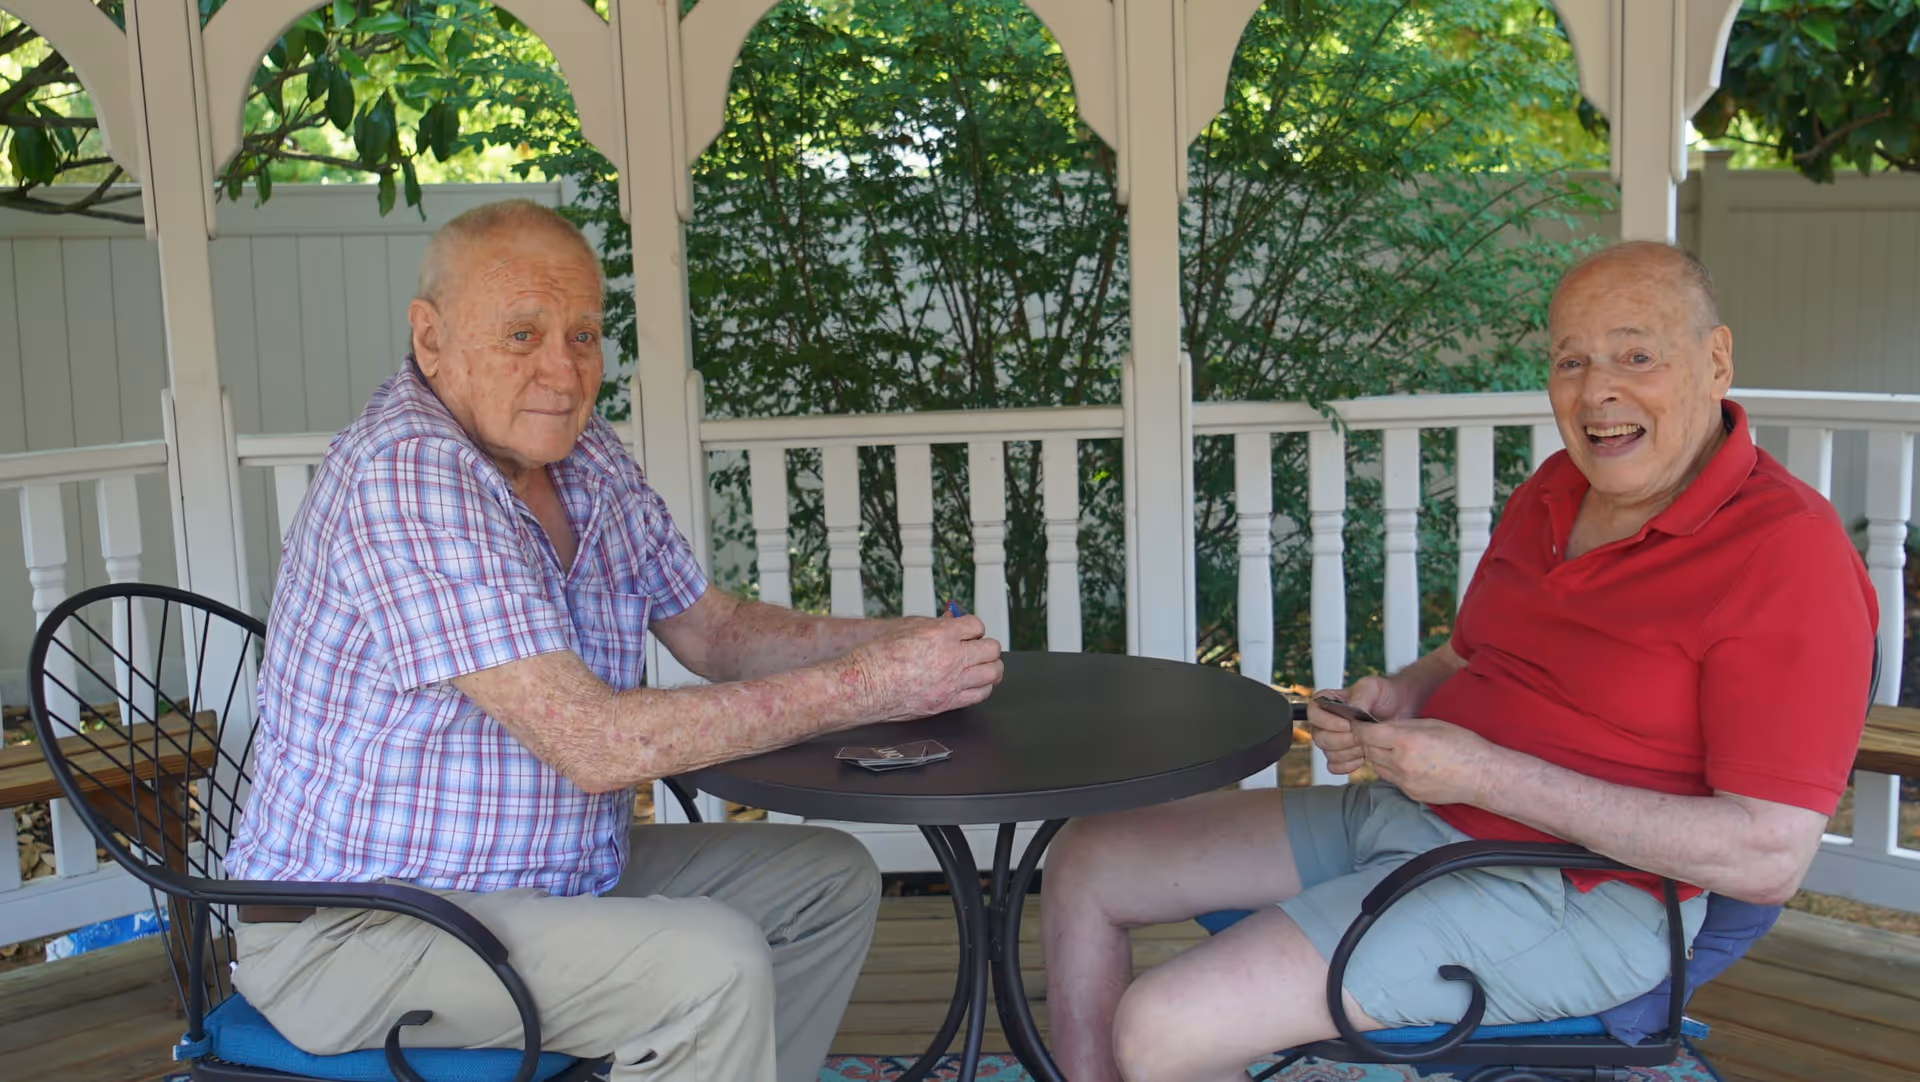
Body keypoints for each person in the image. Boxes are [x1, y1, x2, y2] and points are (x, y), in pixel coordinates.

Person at [1038, 241, 1876, 1082]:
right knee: (1087, 860)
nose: (1598, 391)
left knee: (1164, 1027)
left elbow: (1770, 857)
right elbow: (1464, 654)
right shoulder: (1553, 490)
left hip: (1580, 897)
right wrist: (1398, 697)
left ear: (1716, 359)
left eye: (1637, 355)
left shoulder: (1786, 553)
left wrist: (1488, 777)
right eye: (1571, 360)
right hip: (1420, 817)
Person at [223, 199, 1004, 1082]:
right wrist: (871, 685)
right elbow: (595, 746)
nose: (562, 368)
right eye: (522, 333)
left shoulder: (580, 451)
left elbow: (714, 631)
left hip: (544, 882)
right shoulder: (407, 472)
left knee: (824, 879)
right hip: (364, 929)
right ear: (431, 339)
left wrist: (905, 644)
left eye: (584, 334)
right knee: (707, 966)